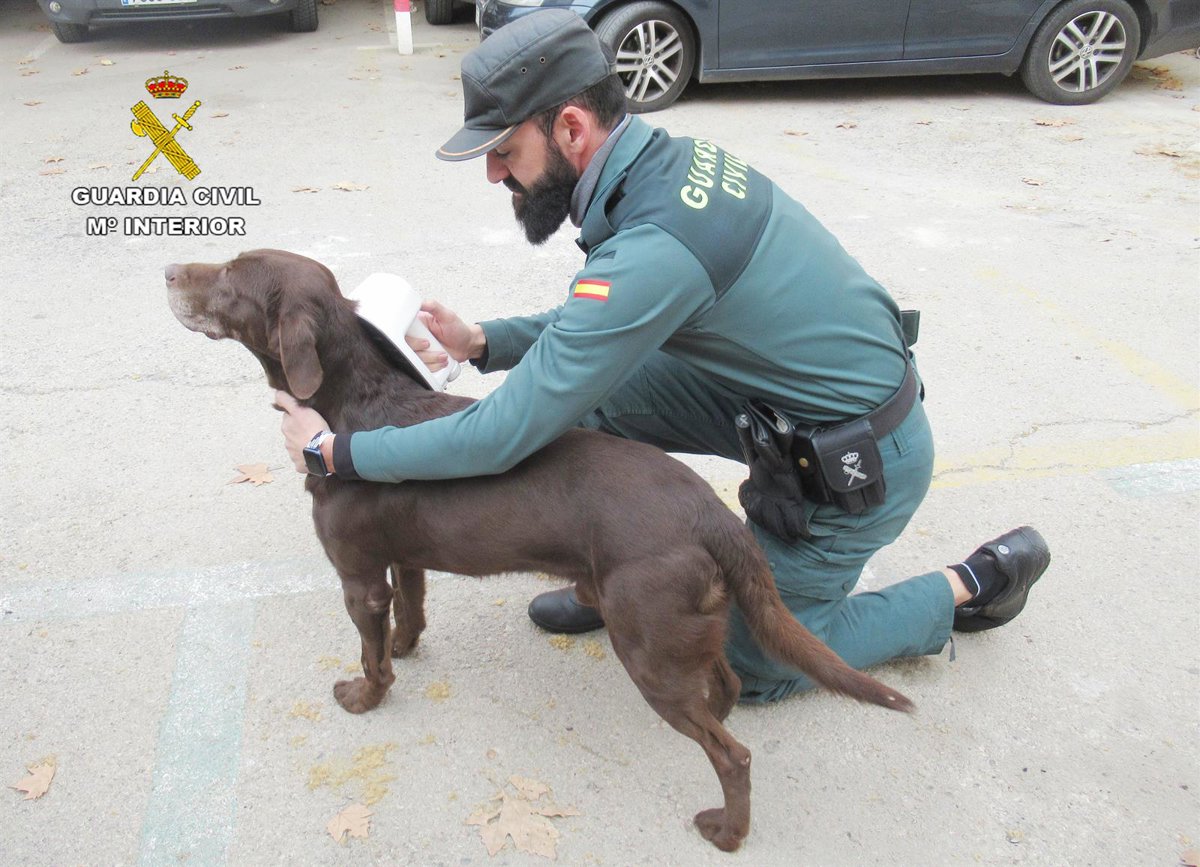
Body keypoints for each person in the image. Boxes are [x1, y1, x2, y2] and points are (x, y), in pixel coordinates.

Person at [277, 9, 1050, 704]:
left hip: (858, 459)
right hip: (783, 404)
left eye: (505, 150)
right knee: (592, 395)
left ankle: (966, 586)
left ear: (571, 127)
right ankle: (603, 567)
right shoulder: (661, 169)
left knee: (757, 655)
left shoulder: (655, 244)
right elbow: (602, 324)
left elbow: (500, 434)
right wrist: (485, 341)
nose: (493, 173)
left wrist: (339, 452)